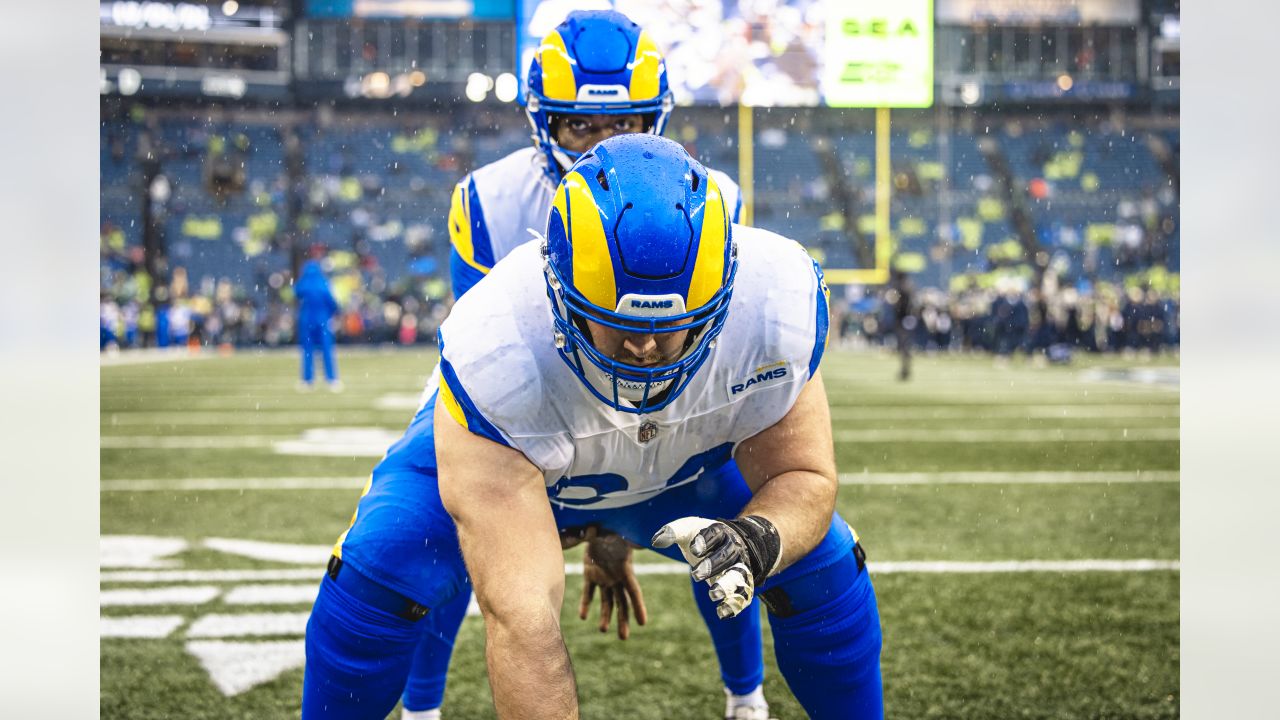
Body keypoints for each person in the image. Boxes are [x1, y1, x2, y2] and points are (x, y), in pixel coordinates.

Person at [302, 135, 883, 719]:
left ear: (724, 296)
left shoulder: (775, 303)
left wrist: (760, 538)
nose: (645, 347)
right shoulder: (497, 341)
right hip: (525, 463)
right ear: (560, 293)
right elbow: (524, 625)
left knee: (825, 566)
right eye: (615, 325)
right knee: (376, 571)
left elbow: (803, 475)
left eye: (674, 325)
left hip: (681, 475)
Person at [427, 10, 761, 720]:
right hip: (517, 416)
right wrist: (582, 504)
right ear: (542, 121)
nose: (604, 146)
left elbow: (699, 365)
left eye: (626, 125)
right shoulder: (487, 202)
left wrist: (616, 516)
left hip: (668, 410)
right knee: (420, 541)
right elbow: (497, 374)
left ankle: (748, 699)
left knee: (733, 536)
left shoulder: (711, 201)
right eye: (580, 126)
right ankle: (420, 709)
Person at [295, 259, 341, 391]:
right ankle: (331, 379)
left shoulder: (303, 283)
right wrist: (333, 313)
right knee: (327, 349)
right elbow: (331, 301)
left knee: (308, 351)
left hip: (307, 320)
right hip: (322, 320)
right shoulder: (323, 282)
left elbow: (296, 292)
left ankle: (307, 380)